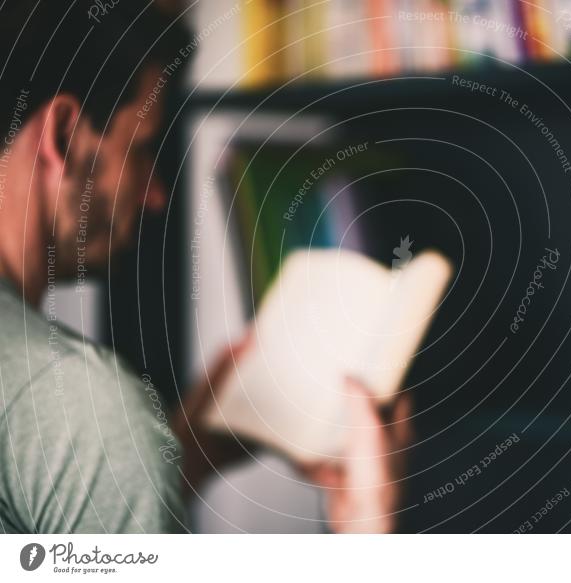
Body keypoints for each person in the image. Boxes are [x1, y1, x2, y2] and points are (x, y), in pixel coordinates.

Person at [0, 0, 407, 534]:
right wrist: (366, 534)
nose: (156, 195)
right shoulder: (84, 411)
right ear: (64, 136)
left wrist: (177, 451)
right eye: (143, 151)